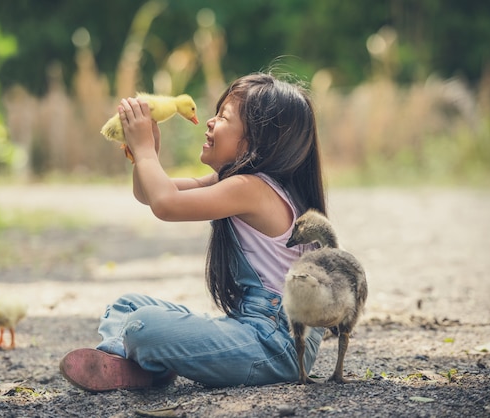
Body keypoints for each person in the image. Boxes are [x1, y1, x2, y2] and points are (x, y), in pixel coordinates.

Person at [60, 72, 327, 392]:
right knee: (128, 306)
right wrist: (148, 156)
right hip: (250, 330)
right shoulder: (236, 183)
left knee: (140, 326)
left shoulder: (251, 189)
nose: (210, 122)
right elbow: (150, 195)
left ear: (257, 140)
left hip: (276, 346)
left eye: (224, 117)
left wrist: (144, 151)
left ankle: (142, 360)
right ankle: (127, 366)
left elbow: (166, 205)